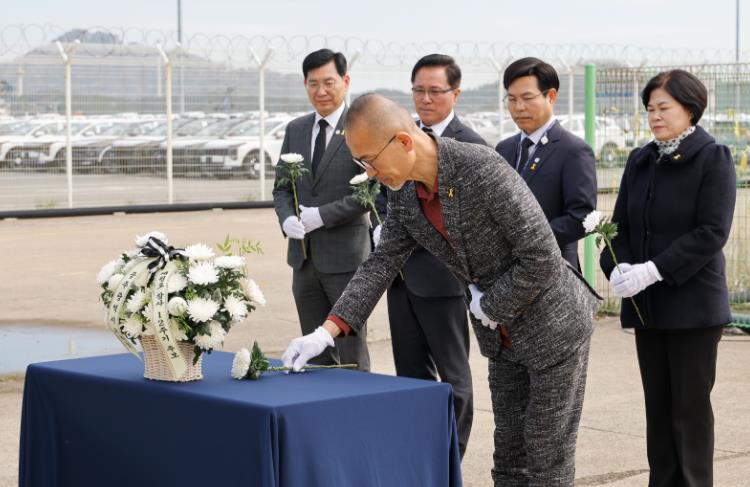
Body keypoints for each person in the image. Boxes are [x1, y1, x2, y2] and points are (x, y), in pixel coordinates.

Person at [282, 93, 600, 486]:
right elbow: (381, 263)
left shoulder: (479, 168)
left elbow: (542, 257)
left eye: (370, 161)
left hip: (552, 325)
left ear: (402, 141)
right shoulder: (405, 191)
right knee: (509, 454)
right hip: (502, 336)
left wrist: (492, 304)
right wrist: (325, 332)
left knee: (546, 455)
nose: (370, 174)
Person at [600, 69, 736, 487]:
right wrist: (617, 266)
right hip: (650, 309)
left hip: (693, 308)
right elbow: (620, 227)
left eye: (664, 108)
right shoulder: (641, 160)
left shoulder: (713, 157)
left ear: (690, 109)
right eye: (649, 109)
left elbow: (712, 232)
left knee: (689, 412)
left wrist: (654, 269)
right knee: (658, 410)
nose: (655, 116)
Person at [371, 53, 486, 458]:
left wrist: (405, 234)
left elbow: (469, 222)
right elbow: (384, 192)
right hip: (401, 279)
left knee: (454, 379)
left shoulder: (470, 146)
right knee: (410, 378)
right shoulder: (400, 138)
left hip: (442, 280)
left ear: (455, 93)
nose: (425, 98)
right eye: (418, 90)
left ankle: (451, 458)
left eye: (435, 90)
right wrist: (380, 226)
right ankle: (419, 458)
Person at [272, 49, 371, 371]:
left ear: (345, 81)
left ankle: (359, 402)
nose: (321, 91)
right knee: (312, 354)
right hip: (304, 260)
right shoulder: (296, 129)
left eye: (329, 82)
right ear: (305, 85)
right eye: (313, 84)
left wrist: (323, 215)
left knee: (351, 352)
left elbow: (371, 192)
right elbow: (282, 187)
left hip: (346, 260)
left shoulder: (361, 127)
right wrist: (286, 217)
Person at [495, 57, 597, 270]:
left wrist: (529, 240)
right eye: (511, 99)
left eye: (527, 98)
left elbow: (582, 216)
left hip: (553, 269)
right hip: (505, 271)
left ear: (551, 96)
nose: (519, 107)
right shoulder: (504, 149)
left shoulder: (573, 150)